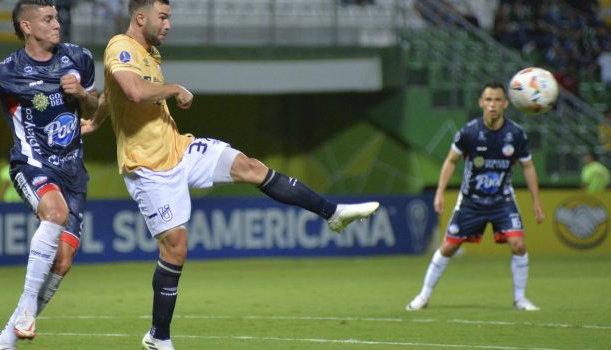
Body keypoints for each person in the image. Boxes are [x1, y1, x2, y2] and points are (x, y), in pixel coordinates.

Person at [98, 1, 380, 349]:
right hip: (147, 168)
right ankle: (158, 337)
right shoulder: (120, 46)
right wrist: (174, 88)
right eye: (163, 17)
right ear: (141, 17)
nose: (169, 23)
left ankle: (333, 214)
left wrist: (95, 120)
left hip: (178, 149)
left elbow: (111, 94)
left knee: (251, 167)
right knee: (176, 248)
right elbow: (132, 91)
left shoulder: (150, 53)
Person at [0, 1, 98, 349]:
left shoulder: (79, 58)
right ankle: (27, 307)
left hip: (74, 173)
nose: (57, 24)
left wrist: (84, 95)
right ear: (27, 27)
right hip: (31, 165)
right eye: (47, 19)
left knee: (62, 261)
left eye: (57, 17)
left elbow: (97, 107)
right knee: (55, 213)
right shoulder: (6, 71)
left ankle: (7, 339)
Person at [406, 82, 545, 312]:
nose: (492, 105)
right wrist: (440, 192)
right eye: (488, 100)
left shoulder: (516, 134)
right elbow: (451, 161)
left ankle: (520, 299)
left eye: (497, 100)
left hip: (502, 200)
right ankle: (423, 296)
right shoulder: (469, 132)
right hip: (471, 202)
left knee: (518, 244)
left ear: (505, 104)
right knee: (448, 247)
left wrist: (536, 202)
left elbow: (528, 167)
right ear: (481, 102)